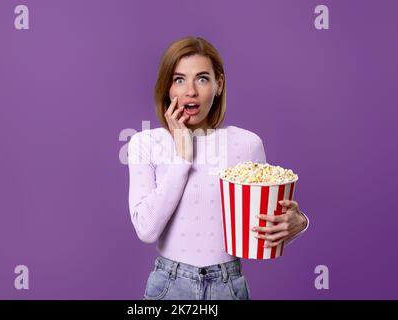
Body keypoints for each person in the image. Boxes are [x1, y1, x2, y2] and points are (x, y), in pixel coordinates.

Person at [127, 36, 309, 300]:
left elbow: (262, 231)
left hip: (228, 286)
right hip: (169, 286)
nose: (190, 91)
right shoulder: (145, 142)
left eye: (202, 78)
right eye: (179, 79)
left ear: (218, 85)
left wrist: (299, 223)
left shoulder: (247, 144)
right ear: (167, 88)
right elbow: (146, 229)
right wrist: (183, 157)